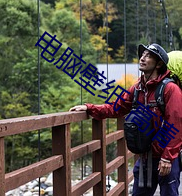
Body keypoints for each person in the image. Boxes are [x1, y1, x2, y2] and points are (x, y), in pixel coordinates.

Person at [69, 43, 182, 196]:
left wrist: (167, 158)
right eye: (142, 55)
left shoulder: (170, 89)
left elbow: (176, 124)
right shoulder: (137, 89)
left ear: (159, 64)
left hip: (165, 157)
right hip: (145, 156)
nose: (142, 58)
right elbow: (116, 108)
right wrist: (89, 108)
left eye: (148, 56)